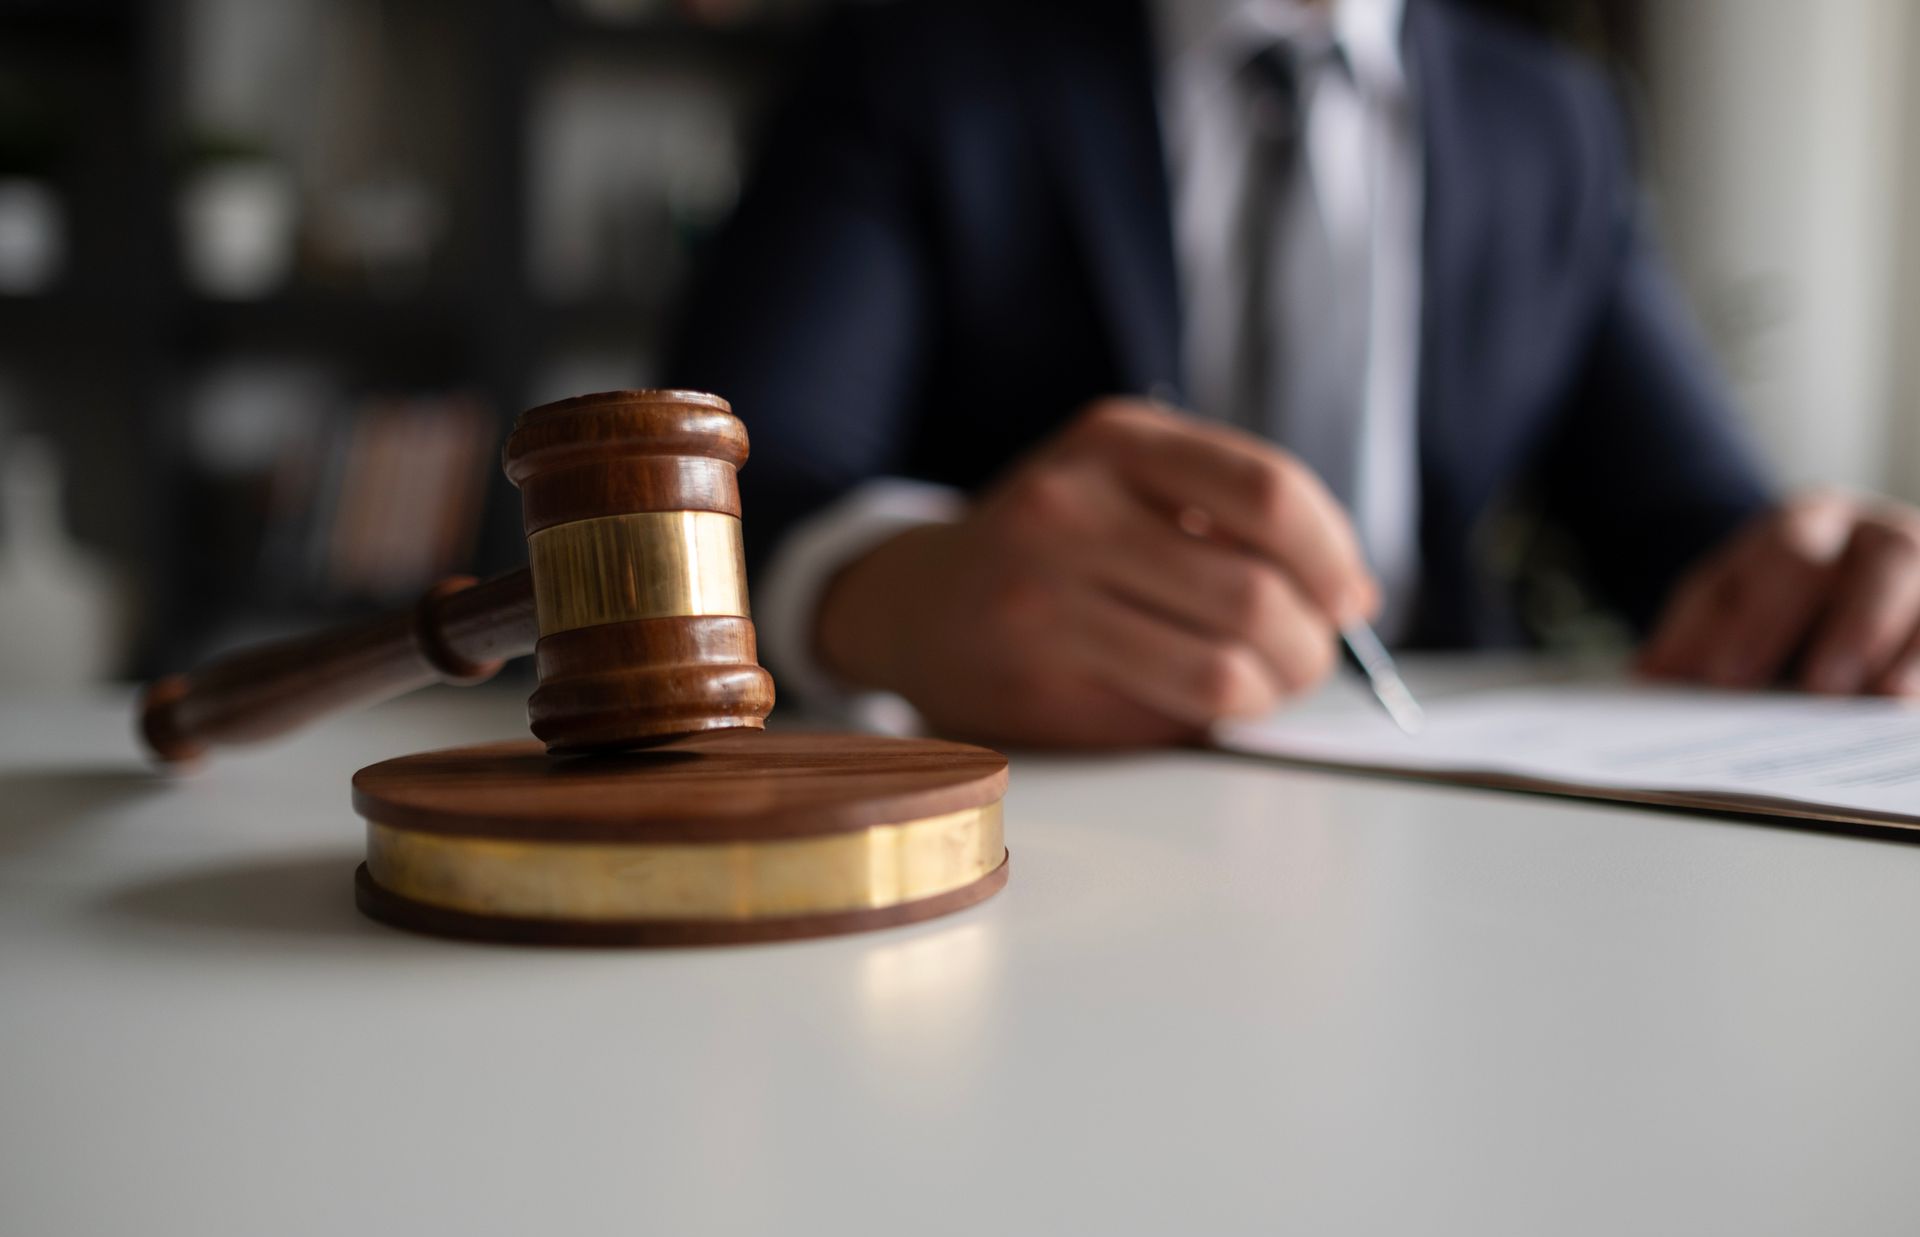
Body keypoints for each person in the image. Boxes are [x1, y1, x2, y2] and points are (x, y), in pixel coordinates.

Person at [669, 0, 1920, 746]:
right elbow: (733, 467)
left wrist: (1821, 593)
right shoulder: (917, 59)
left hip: (1459, 847)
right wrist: (890, 599)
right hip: (1039, 822)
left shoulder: (1554, 121)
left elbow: (1689, 526)